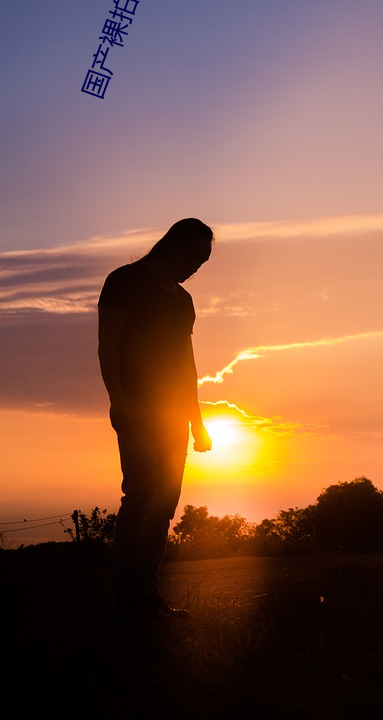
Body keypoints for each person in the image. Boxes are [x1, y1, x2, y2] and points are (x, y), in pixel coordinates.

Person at [98, 218, 213, 623]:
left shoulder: (183, 302)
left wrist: (197, 422)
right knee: (142, 498)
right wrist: (118, 401)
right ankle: (127, 599)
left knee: (163, 506)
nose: (197, 267)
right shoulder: (124, 281)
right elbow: (107, 345)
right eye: (195, 257)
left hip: (174, 417)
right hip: (137, 408)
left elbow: (187, 366)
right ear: (172, 245)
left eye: (204, 261)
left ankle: (147, 596)